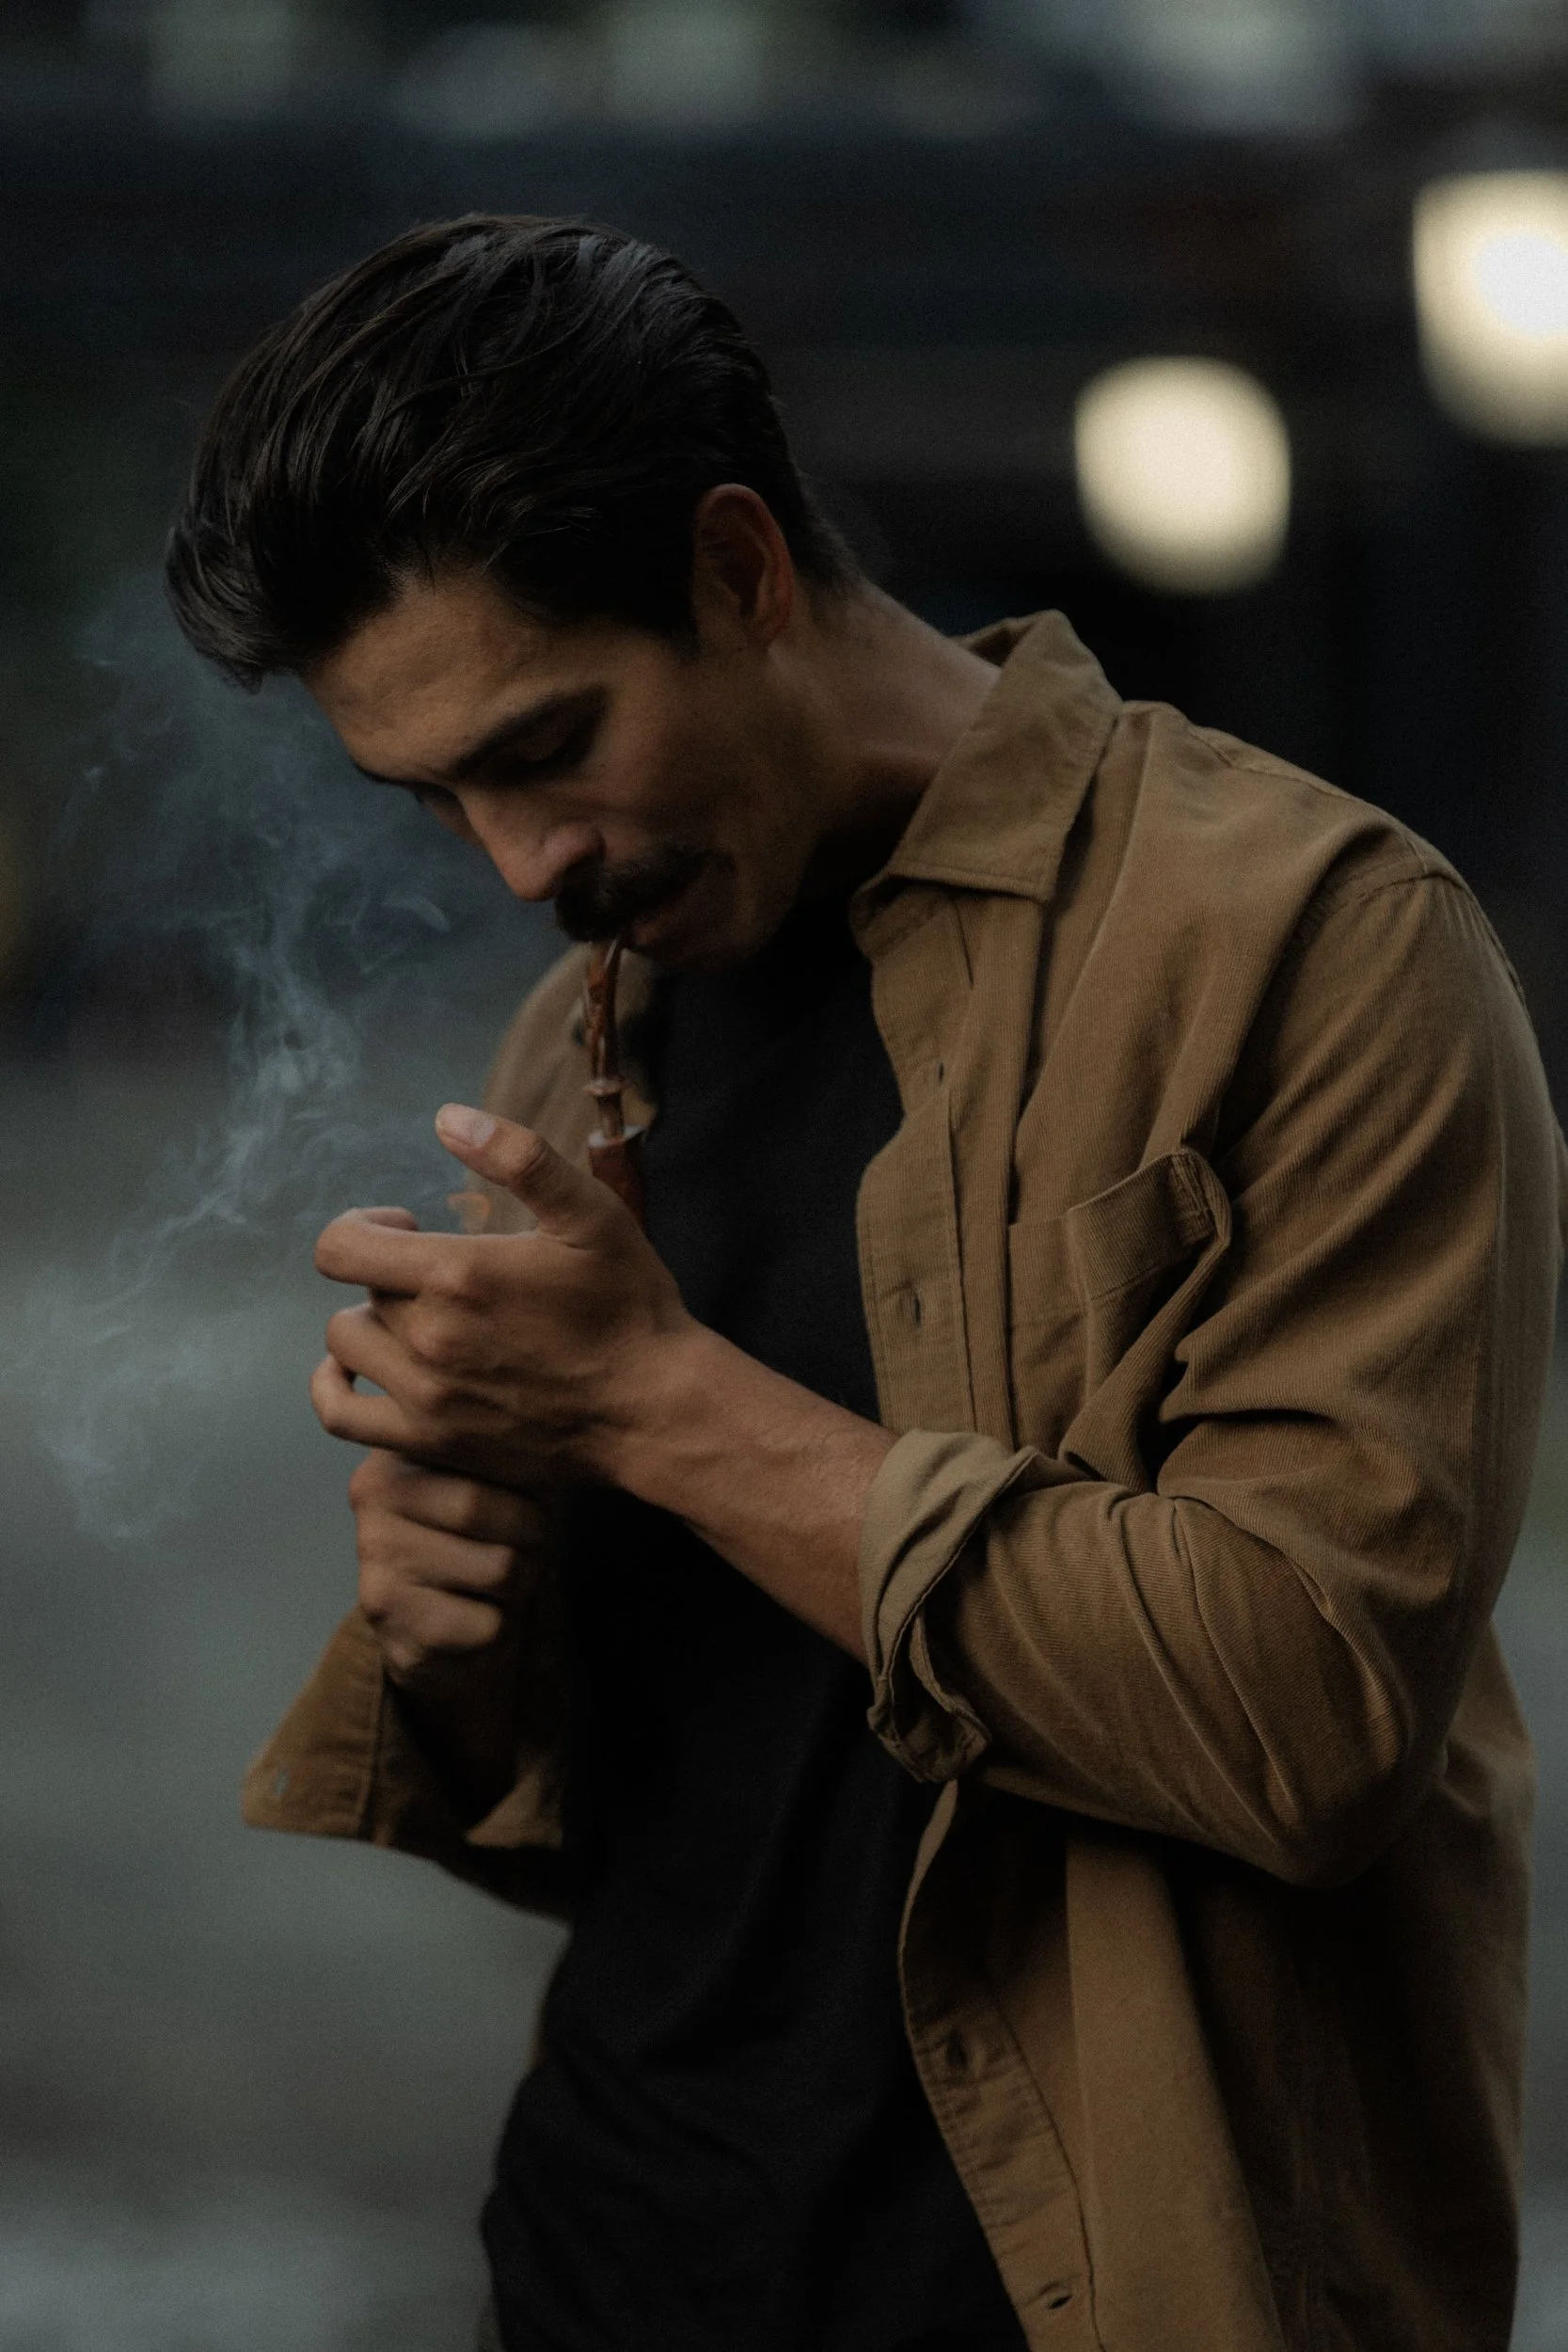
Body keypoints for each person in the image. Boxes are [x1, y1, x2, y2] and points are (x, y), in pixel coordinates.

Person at [166, 215, 1564, 2352]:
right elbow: (667, 1823)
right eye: (435, 792)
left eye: (547, 741)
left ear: (737, 568)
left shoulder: (1305, 941)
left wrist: (652, 1405)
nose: (520, 867)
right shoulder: (590, 1033)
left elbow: (1306, 1717)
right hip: (611, 2258)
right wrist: (468, 1629)